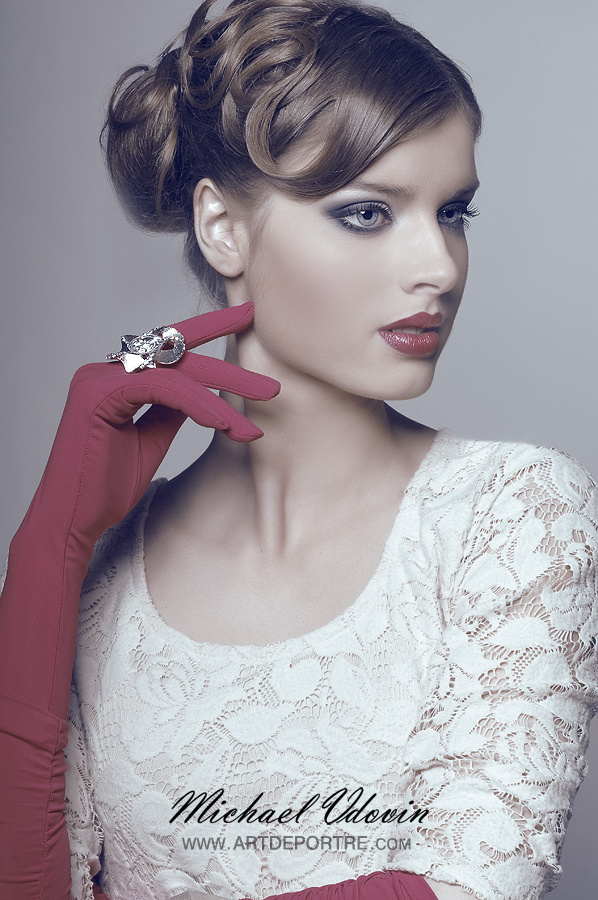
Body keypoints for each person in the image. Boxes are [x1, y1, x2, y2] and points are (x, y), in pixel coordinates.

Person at [0, 1, 597, 899]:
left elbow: (470, 885)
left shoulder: (517, 516)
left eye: (453, 211)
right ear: (222, 228)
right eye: (368, 213)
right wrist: (46, 553)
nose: (440, 267)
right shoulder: (103, 576)